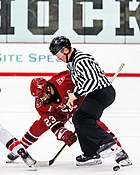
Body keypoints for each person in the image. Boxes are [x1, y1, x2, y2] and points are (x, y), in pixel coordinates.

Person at [5, 70, 127, 166]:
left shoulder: (63, 79)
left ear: (47, 88)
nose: (41, 100)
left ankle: (118, 149)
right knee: (39, 126)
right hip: (60, 113)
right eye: (38, 97)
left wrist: (95, 75)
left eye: (42, 96)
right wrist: (62, 133)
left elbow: (82, 75)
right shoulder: (40, 105)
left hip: (79, 106)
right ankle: (19, 149)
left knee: (93, 123)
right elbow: (51, 121)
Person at [48, 36, 132, 167]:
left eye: (58, 54)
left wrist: (75, 94)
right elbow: (82, 82)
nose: (58, 58)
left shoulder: (81, 59)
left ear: (65, 50)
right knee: (81, 119)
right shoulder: (72, 63)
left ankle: (108, 143)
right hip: (96, 94)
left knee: (80, 118)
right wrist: (73, 97)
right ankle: (91, 154)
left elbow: (91, 81)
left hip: (103, 93)